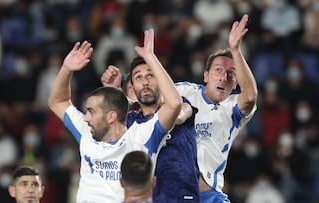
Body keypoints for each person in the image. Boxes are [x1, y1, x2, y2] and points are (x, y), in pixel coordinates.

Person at [48, 28, 181, 202]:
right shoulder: (86, 133)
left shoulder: (142, 137)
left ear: (111, 117)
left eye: (91, 112)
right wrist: (66, 69)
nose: (86, 118)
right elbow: (57, 102)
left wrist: (150, 58)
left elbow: (174, 104)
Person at [175, 14, 258, 202]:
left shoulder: (232, 108)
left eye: (231, 74)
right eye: (218, 70)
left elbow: (251, 96)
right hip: (170, 190)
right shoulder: (183, 91)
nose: (223, 77)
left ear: (236, 83)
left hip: (208, 195)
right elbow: (148, 100)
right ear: (206, 76)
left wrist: (236, 51)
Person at [101, 53, 200, 202]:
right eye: (138, 78)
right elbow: (108, 133)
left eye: (150, 75)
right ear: (133, 88)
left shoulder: (181, 105)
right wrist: (113, 91)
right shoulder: (131, 121)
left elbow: (179, 115)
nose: (145, 82)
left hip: (182, 197)